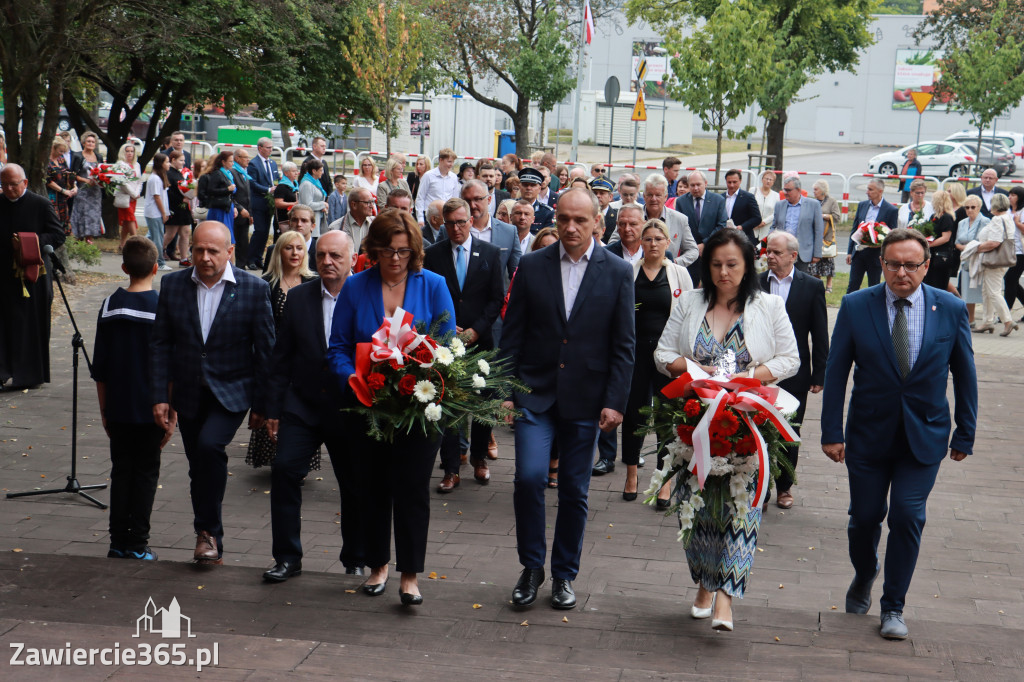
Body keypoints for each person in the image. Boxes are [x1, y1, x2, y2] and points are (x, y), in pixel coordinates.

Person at [821, 228, 977, 640]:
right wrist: (831, 431)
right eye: (893, 264)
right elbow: (836, 373)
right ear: (882, 265)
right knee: (864, 519)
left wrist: (966, 433)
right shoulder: (856, 306)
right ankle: (864, 572)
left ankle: (893, 606)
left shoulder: (950, 308)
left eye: (911, 264)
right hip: (868, 436)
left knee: (909, 516)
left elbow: (965, 375)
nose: (901, 272)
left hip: (923, 437)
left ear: (926, 266)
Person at [654, 229, 799, 632]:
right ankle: (704, 582)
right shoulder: (690, 303)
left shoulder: (767, 305)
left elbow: (791, 358)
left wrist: (750, 377)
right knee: (696, 507)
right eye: (716, 264)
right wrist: (696, 374)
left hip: (745, 422)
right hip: (695, 419)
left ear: (748, 264)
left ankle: (725, 598)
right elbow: (662, 353)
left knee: (740, 508)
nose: (723, 272)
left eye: (732, 264)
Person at [501, 188, 636, 610]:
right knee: (528, 479)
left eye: (580, 220)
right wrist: (506, 391)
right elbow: (513, 334)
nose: (571, 228)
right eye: (563, 219)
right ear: (554, 220)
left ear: (599, 221)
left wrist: (615, 401)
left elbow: (623, 344)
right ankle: (532, 566)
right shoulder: (532, 264)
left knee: (575, 490)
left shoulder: (616, 271)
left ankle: (564, 574)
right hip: (534, 394)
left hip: (587, 398)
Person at [326, 209, 456, 606]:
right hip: (369, 408)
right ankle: (377, 565)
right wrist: (356, 380)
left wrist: (423, 379)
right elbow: (338, 348)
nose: (395, 258)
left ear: (414, 250)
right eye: (386, 250)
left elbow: (449, 348)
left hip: (418, 409)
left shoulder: (432, 284)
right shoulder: (356, 287)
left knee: (413, 488)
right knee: (373, 486)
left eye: (402, 250)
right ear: (373, 250)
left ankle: (411, 575)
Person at [150, 221, 275, 564]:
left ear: (230, 251)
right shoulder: (173, 284)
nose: (204, 257)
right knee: (198, 465)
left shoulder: (252, 288)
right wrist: (160, 395)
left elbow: (265, 350)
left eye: (213, 251)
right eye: (198, 250)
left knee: (209, 447)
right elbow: (161, 344)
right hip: (189, 391)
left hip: (233, 389)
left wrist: (264, 404)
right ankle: (209, 537)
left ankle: (207, 531)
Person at [263, 230, 359, 581]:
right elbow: (281, 357)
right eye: (320, 256)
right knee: (285, 470)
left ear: (352, 257)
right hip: (302, 405)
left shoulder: (364, 295)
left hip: (349, 407)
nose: (327, 262)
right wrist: (272, 409)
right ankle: (287, 557)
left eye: (335, 255)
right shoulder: (300, 297)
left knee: (353, 483)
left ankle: (355, 555)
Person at [424, 198, 505, 492]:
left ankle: (480, 459)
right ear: (442, 224)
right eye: (450, 223)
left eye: (461, 222)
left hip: (481, 341)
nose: (456, 228)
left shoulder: (491, 253)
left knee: (483, 404)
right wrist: (448, 328)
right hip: (446, 342)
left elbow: (497, 298)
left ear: (472, 220)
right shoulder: (433, 254)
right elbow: (429, 294)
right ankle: (451, 468)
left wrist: (475, 330)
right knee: (448, 405)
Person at [93, 236, 164, 561]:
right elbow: (169, 365)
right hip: (152, 408)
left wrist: (105, 411)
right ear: (155, 267)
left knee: (121, 472)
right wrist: (172, 410)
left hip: (118, 409)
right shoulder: (162, 308)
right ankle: (138, 543)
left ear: (123, 267)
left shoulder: (109, 307)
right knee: (146, 473)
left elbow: (101, 370)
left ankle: (117, 541)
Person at [619, 219, 692, 502]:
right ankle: (631, 473)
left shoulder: (679, 274)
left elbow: (688, 316)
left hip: (668, 358)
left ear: (667, 243)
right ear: (640, 243)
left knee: (665, 416)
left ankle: (664, 476)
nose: (652, 244)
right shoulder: (629, 272)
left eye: (658, 239)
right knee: (634, 414)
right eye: (647, 239)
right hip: (634, 355)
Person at [758, 231, 828, 509]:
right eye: (768, 251)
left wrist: (819, 374)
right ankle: (760, 488)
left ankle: (784, 486)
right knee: (759, 430)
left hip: (796, 372)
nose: (770, 256)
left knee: (789, 432)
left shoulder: (810, 286)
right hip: (760, 370)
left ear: (793, 256)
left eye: (776, 252)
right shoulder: (756, 282)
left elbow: (820, 334)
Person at [248, 228, 319, 471]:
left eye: (299, 248)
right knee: (274, 405)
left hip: (303, 358)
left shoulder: (313, 282)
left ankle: (298, 459)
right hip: (273, 357)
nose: (295, 252)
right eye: (289, 247)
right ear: (279, 252)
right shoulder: (267, 284)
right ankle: (275, 456)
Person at [0, 164, 66, 390]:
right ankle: (2, 371)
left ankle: (28, 375)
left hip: (34, 275)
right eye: (4, 184)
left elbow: (58, 235)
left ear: (25, 183)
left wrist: (29, 241)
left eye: (13, 184)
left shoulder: (41, 204)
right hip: (4, 275)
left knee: (30, 325)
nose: (8, 189)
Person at [612, 174, 698, 268]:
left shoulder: (680, 219)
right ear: (644, 196)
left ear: (665, 197)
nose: (654, 199)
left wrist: (674, 263)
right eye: (650, 195)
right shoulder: (631, 215)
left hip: (666, 275)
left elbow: (693, 250)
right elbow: (613, 243)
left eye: (658, 195)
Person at [972, 194, 1017, 336]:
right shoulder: (1007, 217)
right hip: (1001, 260)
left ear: (996, 205)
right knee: (987, 291)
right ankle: (987, 321)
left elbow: (995, 242)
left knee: (993, 292)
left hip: (994, 261)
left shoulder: (998, 219)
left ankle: (1008, 321)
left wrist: (975, 248)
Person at [847, 179, 899, 293]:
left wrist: (881, 245)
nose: (867, 192)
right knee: (853, 285)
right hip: (859, 253)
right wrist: (850, 252)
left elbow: (892, 235)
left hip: (876, 255)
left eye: (870, 189)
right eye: (867, 189)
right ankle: (848, 308)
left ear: (880, 191)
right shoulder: (862, 205)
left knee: (874, 286)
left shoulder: (891, 210)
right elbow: (854, 229)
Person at [676, 171, 728, 273]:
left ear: (705, 183)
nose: (695, 188)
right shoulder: (681, 202)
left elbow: (721, 225)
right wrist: (693, 247)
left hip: (712, 249)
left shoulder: (718, 200)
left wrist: (705, 244)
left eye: (698, 184)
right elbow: (679, 226)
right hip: (689, 252)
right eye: (692, 185)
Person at [770, 176, 823, 273]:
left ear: (798, 190)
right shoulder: (779, 205)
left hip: (803, 253)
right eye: (784, 190)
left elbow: (818, 230)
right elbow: (774, 226)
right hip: (782, 251)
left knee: (800, 282)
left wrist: (817, 253)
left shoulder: (813, 205)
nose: (785, 193)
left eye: (788, 190)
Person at [954, 196, 988, 326]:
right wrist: (969, 247)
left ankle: (989, 319)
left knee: (984, 291)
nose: (969, 210)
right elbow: (957, 242)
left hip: (980, 260)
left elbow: (983, 242)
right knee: (967, 291)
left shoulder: (985, 221)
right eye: (966, 207)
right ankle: (970, 319)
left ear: (979, 207)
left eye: (973, 207)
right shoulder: (962, 222)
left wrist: (968, 247)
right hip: (966, 260)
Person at [246, 137, 279, 270]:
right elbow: (252, 183)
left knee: (265, 232)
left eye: (272, 147)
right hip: (258, 201)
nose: (271, 150)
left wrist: (277, 187)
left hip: (269, 203)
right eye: (268, 147)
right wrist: (268, 189)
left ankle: (259, 258)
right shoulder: (253, 164)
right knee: (259, 231)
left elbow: (275, 179)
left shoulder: (272, 163)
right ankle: (251, 258)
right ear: (260, 148)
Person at [68, 131, 104, 242]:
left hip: (95, 192)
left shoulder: (98, 156)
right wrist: (85, 180)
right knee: (81, 213)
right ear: (83, 142)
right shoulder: (78, 156)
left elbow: (103, 172)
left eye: (93, 142)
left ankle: (90, 238)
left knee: (93, 215)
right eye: (88, 141)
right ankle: (78, 238)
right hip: (83, 190)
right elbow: (73, 174)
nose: (90, 143)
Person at [921, 190, 956, 292]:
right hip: (933, 256)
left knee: (938, 285)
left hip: (941, 257)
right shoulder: (935, 216)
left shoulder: (946, 217)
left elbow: (946, 238)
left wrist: (928, 245)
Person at [810, 179, 840, 293]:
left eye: (816, 189)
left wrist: (824, 216)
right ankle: (818, 284)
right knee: (816, 260)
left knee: (827, 260)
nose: (814, 191)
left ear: (823, 191)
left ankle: (829, 285)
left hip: (827, 236)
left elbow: (837, 217)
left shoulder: (832, 201)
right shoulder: (813, 202)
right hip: (815, 236)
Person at [415, 148, 460, 223]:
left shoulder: (453, 177)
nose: (451, 164)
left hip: (446, 216)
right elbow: (420, 197)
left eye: (452, 162)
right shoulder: (428, 176)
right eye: (449, 161)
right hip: (430, 216)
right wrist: (420, 218)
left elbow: (455, 199)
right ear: (440, 160)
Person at [143, 153, 172, 271]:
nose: (168, 164)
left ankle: (141, 254)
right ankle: (160, 262)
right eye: (167, 162)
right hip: (154, 213)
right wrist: (163, 213)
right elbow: (157, 197)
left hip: (157, 213)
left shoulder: (160, 177)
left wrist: (166, 211)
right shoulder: (155, 178)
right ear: (161, 164)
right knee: (158, 238)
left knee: (150, 236)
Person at [165, 151, 194, 267]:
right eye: (181, 160)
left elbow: (183, 187)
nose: (183, 163)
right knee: (170, 234)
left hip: (183, 208)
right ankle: (155, 253)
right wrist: (182, 198)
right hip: (174, 207)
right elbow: (169, 192)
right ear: (173, 160)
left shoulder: (179, 173)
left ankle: (184, 258)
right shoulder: (168, 173)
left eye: (183, 160)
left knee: (185, 232)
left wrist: (189, 194)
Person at [113, 143, 143, 252]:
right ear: (123, 152)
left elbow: (139, 181)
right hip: (125, 197)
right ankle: (137, 243)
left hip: (133, 197)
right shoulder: (120, 165)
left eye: (132, 151)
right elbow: (122, 183)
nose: (130, 153)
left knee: (126, 221)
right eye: (127, 151)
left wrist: (137, 193)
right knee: (130, 219)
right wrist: (133, 194)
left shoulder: (137, 165)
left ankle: (122, 245)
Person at [205, 151, 238, 247]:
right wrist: (227, 189)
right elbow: (210, 190)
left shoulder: (228, 174)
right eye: (230, 161)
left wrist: (234, 206)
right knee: (222, 235)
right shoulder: (217, 174)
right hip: (220, 208)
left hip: (228, 207)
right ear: (223, 162)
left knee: (228, 235)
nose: (232, 163)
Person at [45, 138, 76, 233]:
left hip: (63, 197)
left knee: (64, 219)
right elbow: (48, 180)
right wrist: (62, 190)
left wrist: (74, 187)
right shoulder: (47, 161)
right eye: (60, 151)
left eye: (64, 151)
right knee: (53, 218)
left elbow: (68, 173)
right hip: (52, 195)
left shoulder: (61, 160)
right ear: (53, 148)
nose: (62, 153)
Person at [722, 169, 761, 244]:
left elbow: (757, 218)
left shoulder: (748, 197)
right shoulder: (721, 198)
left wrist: (742, 227)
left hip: (743, 238)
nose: (732, 185)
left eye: (734, 182)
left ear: (740, 181)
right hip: (724, 237)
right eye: (729, 182)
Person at [230, 148, 253, 268]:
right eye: (245, 157)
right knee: (236, 241)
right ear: (237, 158)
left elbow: (248, 196)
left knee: (244, 242)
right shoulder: (233, 172)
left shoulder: (244, 173)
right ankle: (236, 266)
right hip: (236, 213)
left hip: (245, 214)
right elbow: (231, 196)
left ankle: (242, 266)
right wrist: (240, 209)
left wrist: (250, 213)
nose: (248, 160)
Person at [1003, 186, 1024, 316]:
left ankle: (1006, 312)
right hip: (1008, 250)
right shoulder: (1007, 211)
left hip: (1020, 251)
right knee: (1012, 280)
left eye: (1013, 195)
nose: (1010, 197)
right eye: (1009, 194)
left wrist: (1017, 222)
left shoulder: (1022, 212)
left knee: (1009, 279)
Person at [297, 158, 328, 237]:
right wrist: (323, 204)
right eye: (321, 170)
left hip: (316, 219)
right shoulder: (307, 184)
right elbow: (307, 205)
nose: (323, 172)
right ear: (314, 171)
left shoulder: (316, 182)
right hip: (309, 221)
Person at [272, 162, 300, 236]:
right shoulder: (282, 186)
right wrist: (294, 204)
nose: (296, 173)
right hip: (283, 219)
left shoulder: (295, 184)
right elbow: (278, 203)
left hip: (293, 218)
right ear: (286, 173)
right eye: (293, 171)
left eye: (296, 171)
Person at [753, 170, 778, 242]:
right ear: (762, 179)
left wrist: (764, 222)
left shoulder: (776, 196)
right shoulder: (753, 190)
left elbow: (775, 212)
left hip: (766, 229)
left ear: (773, 182)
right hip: (753, 227)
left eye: (771, 180)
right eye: (766, 179)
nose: (768, 181)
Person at [591, 177, 617, 243]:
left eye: (602, 193)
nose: (598, 196)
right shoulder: (586, 214)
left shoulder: (616, 217)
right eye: (595, 193)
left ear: (610, 197)